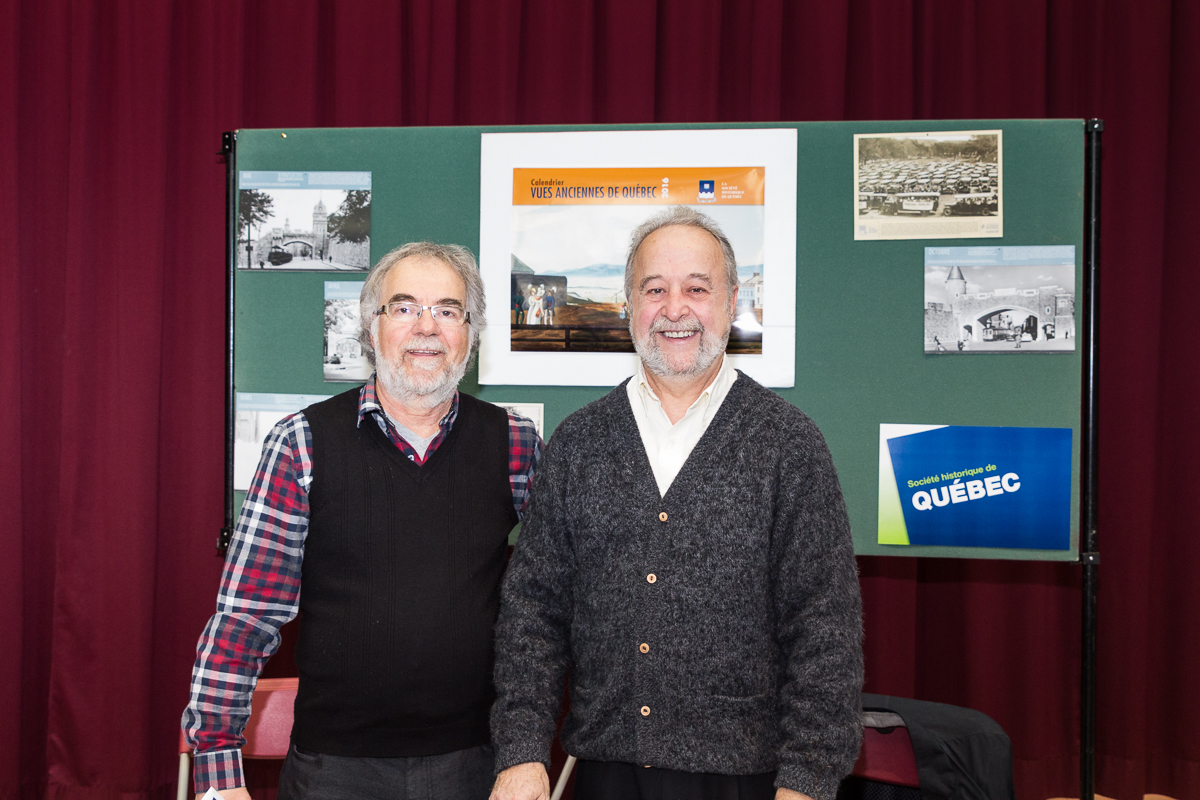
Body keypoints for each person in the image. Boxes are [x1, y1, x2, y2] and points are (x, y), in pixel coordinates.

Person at [489, 207, 863, 800]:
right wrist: (521, 752)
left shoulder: (788, 444)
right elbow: (533, 612)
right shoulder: (580, 442)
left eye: (697, 288)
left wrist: (809, 780)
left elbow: (824, 628)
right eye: (655, 289)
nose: (675, 309)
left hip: (748, 781)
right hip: (605, 773)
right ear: (628, 305)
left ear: (732, 301)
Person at [184, 242, 542, 800]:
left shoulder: (515, 444)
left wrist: (528, 751)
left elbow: (550, 606)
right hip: (333, 770)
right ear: (371, 329)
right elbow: (246, 616)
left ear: (470, 334)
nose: (427, 326)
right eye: (404, 307)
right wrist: (217, 771)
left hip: (473, 767)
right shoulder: (301, 443)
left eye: (448, 310)